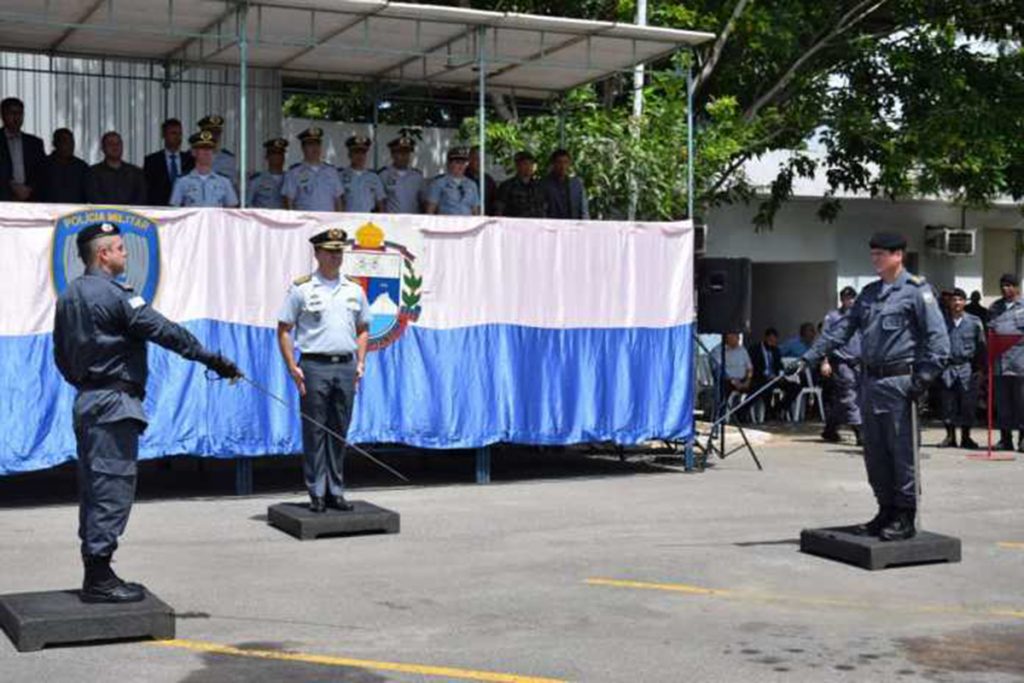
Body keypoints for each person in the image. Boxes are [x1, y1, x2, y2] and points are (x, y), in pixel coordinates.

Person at [53, 222, 240, 603]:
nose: (125, 254)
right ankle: (100, 577)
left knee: (94, 488)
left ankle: (97, 568)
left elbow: (60, 354)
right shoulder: (117, 296)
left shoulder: (70, 295)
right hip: (114, 404)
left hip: (88, 399)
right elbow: (162, 330)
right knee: (112, 487)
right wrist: (212, 358)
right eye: (120, 248)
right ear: (102, 254)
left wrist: (86, 380)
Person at [799, 232, 949, 541]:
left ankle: (906, 514)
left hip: (899, 381)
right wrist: (808, 357)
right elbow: (840, 331)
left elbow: (938, 339)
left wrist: (924, 377)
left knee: (901, 449)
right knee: (875, 451)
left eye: (881, 253)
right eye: (873, 254)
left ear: (898, 256)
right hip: (869, 380)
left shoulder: (917, 292)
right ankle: (885, 509)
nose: (875, 259)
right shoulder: (868, 294)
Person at [277, 228, 370, 513]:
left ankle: (336, 491)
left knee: (339, 430)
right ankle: (316, 491)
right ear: (317, 253)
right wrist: (292, 366)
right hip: (314, 365)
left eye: (339, 251)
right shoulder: (303, 288)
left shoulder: (354, 288)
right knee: (315, 430)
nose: (335, 257)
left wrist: (361, 362)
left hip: (345, 364)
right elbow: (284, 328)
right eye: (330, 251)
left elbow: (364, 328)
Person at [938, 288, 985, 449]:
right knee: (948, 403)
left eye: (960, 300)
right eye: (953, 300)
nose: (956, 303)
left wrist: (980, 368)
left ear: (965, 302)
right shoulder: (941, 322)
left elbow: (981, 346)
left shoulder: (974, 321)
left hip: (967, 366)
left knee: (968, 403)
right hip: (947, 367)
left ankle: (966, 437)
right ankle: (950, 436)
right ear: (949, 303)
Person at [820, 287, 863, 445]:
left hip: (859, 361)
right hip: (841, 361)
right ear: (842, 300)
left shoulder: (861, 316)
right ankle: (860, 432)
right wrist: (825, 361)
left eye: (852, 297)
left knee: (843, 399)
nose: (850, 300)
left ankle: (830, 429)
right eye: (846, 298)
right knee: (849, 394)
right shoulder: (833, 317)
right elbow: (824, 340)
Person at [987, 273, 1024, 452]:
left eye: (1009, 285)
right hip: (1000, 365)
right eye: (1002, 285)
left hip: (1020, 364)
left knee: (1021, 403)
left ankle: (1023, 439)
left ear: (1016, 287)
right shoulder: (995, 307)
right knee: (1002, 405)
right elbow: (991, 332)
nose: (1005, 288)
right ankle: (1005, 439)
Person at [168, 131, 239, 208]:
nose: (207, 152)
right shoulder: (182, 181)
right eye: (202, 148)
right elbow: (174, 211)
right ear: (193, 152)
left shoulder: (224, 181)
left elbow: (232, 211)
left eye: (210, 149)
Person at [281, 127, 343, 212]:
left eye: (317, 144)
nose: (315, 148)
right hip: (306, 222)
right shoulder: (294, 173)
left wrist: (338, 222)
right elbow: (289, 201)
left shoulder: (332, 171)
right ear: (303, 148)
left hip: (328, 222)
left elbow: (338, 200)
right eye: (310, 144)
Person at [0, 96, 47, 202]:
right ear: (3, 115)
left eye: (20, 113)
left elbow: (42, 171)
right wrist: (13, 186)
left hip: (30, 199)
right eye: (12, 113)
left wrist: (29, 189)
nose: (16, 117)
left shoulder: (35, 143)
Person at [85, 131, 146, 205]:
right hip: (103, 215)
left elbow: (141, 198)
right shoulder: (93, 173)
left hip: (131, 216)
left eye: (118, 143)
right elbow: (94, 198)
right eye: (110, 143)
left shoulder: (136, 173)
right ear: (103, 148)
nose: (115, 146)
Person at [143, 118, 194, 206]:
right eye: (173, 133)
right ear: (164, 135)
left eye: (180, 134)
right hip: (160, 211)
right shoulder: (152, 161)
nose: (177, 137)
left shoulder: (190, 160)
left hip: (185, 211)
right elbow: (146, 191)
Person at [425, 147, 480, 216]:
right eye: (457, 162)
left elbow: (475, 211)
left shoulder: (471, 185)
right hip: (446, 224)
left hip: (467, 224)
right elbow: (430, 210)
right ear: (449, 164)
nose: (461, 166)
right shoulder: (438, 183)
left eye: (463, 163)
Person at [378, 135, 424, 214]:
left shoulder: (417, 176)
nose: (404, 156)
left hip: (413, 221)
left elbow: (422, 202)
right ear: (392, 155)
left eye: (407, 153)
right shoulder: (384, 175)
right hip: (391, 222)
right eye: (400, 153)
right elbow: (381, 202)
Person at [339, 135, 386, 213]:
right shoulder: (341, 176)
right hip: (348, 220)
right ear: (349, 154)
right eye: (356, 152)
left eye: (363, 153)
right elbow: (338, 201)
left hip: (368, 220)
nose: (360, 156)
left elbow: (380, 203)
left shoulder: (373, 177)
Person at [41, 128, 88, 204]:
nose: (70, 145)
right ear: (55, 143)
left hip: (76, 213)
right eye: (65, 141)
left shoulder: (82, 167)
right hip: (48, 213)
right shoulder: (43, 165)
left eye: (72, 142)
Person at [711, 332, 753, 413]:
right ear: (727, 337)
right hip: (727, 380)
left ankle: (742, 413)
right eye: (735, 336)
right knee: (723, 389)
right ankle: (724, 414)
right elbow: (718, 370)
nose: (738, 339)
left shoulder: (742, 350)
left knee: (758, 388)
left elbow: (750, 368)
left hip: (743, 380)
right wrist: (733, 381)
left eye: (738, 337)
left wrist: (748, 380)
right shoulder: (717, 351)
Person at [495, 150, 546, 218]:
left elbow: (544, 209)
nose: (528, 167)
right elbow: (499, 210)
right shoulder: (507, 186)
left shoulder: (539, 186)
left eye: (530, 164)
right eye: (525, 164)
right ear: (517, 165)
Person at [747, 327, 784, 419]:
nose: (772, 343)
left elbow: (780, 366)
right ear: (765, 338)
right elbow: (752, 367)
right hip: (760, 378)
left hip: (774, 378)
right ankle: (768, 412)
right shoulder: (755, 350)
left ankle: (777, 409)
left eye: (774, 341)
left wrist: (780, 375)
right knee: (765, 387)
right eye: (770, 340)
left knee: (794, 387)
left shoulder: (776, 351)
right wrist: (767, 375)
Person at [542, 149, 589, 220]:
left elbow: (583, 209)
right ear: (553, 164)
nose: (562, 166)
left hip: (573, 225)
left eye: (565, 162)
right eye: (559, 162)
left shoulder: (576, 184)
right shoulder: (544, 184)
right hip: (551, 226)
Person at [247, 137, 288, 209]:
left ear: (284, 157)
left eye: (280, 153)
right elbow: (248, 204)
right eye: (273, 153)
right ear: (267, 157)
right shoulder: (257, 181)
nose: (277, 156)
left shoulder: (290, 178)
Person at [197, 115, 237, 188]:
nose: (215, 136)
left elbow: (232, 187)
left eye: (217, 133)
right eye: (211, 132)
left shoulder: (228, 159)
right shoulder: (191, 157)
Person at [466, 145, 497, 216]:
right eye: (476, 159)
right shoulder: (462, 177)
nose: (479, 162)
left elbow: (494, 204)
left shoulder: (489, 181)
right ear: (469, 159)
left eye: (482, 159)